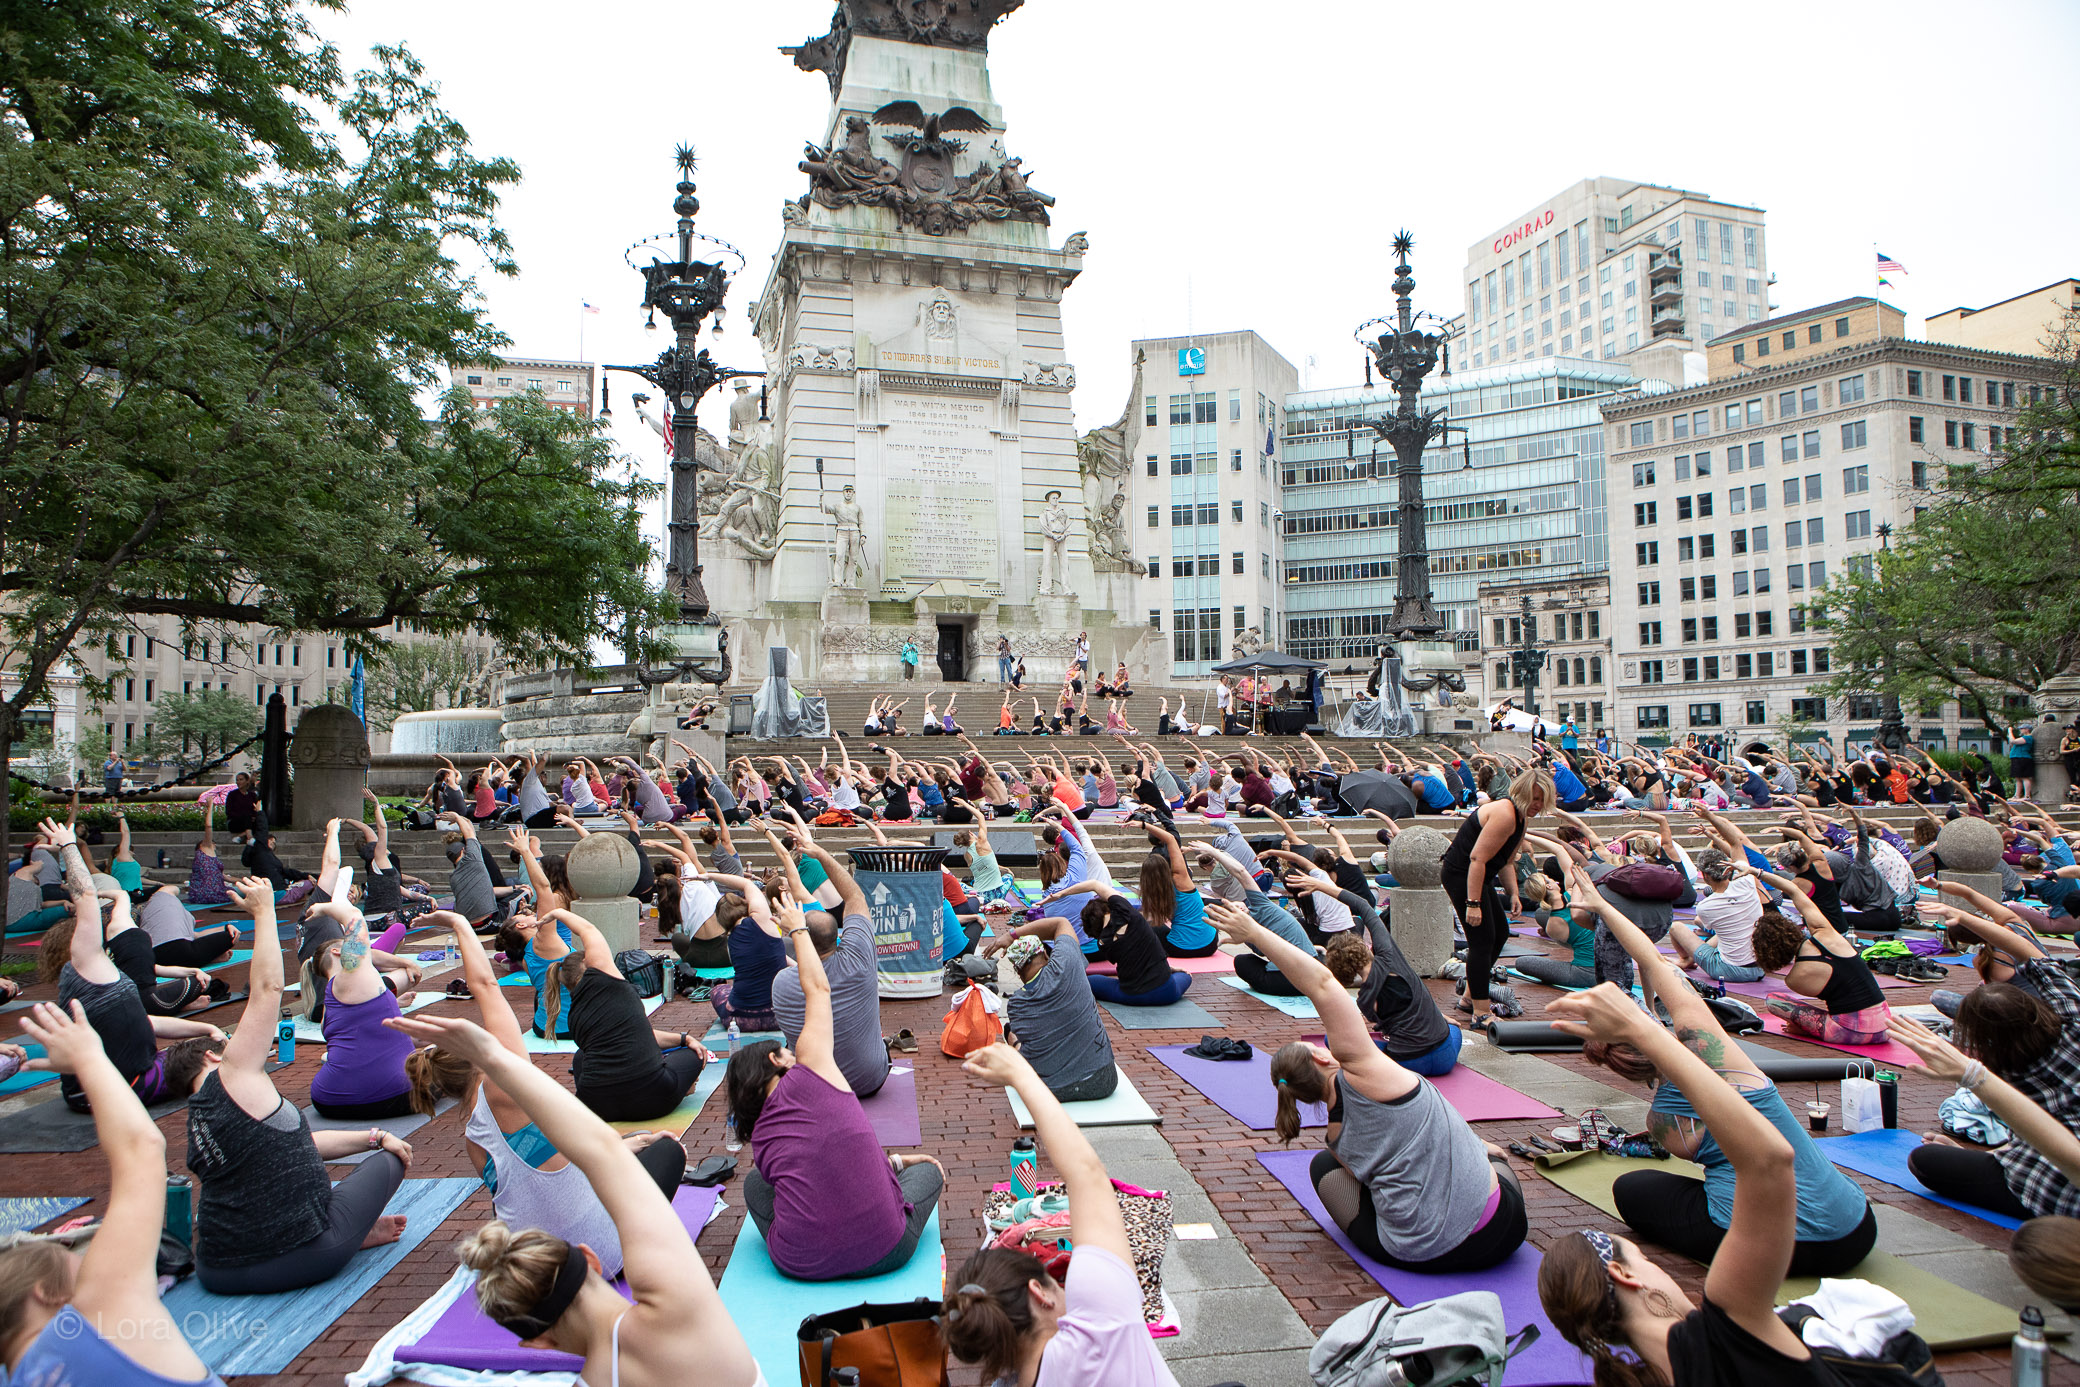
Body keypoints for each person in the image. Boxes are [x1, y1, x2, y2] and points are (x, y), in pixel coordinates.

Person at [385, 1014, 760, 1387]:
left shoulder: (474, 1141)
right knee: (660, 1157)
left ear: (538, 1343)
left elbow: (583, 1162)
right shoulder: (681, 1309)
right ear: (589, 1259)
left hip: (557, 1205)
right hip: (602, 1220)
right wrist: (492, 1054)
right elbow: (599, 1155)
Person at [1567, 860, 1876, 1275]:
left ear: (1626, 1071)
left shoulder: (1663, 1123)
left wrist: (1600, 911)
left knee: (1631, 1188)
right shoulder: (1719, 1053)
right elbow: (1657, 964)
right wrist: (1605, 909)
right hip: (1856, 1227)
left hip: (1780, 1249)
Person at [1537, 987, 1831, 1387]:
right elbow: (1770, 1160)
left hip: (1794, 1230)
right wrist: (1645, 1031)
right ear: (1623, 1274)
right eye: (1645, 1259)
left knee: (1635, 1188)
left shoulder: (1642, 1375)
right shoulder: (1732, 1317)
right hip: (1834, 1223)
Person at [1233, 912, 1527, 1273]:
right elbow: (1322, 985)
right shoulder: (1364, 1071)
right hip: (1499, 1232)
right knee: (1495, 1162)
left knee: (1325, 1168)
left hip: (1421, 1255)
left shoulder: (1334, 1137)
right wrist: (1254, 932)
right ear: (1320, 1055)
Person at [407, 911, 686, 1277]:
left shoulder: (473, 1141)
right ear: (478, 1059)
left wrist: (627, 1146)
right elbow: (487, 988)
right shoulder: (506, 1089)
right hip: (600, 1257)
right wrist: (460, 924)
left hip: (537, 1273)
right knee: (669, 1150)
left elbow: (545, 1175)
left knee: (632, 1148)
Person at [186, 877, 413, 1293]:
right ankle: (355, 1232)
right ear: (212, 1057)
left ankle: (354, 1227)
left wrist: (372, 1136)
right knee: (390, 1161)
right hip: (305, 1256)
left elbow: (301, 1143)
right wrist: (271, 913)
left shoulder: (198, 1118)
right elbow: (268, 989)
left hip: (216, 1269)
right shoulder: (236, 1077)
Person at [0, 999, 227, 1387]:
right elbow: (141, 1150)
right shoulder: (90, 1326)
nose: (86, 1258)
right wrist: (89, 1059)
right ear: (44, 1293)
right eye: (70, 1255)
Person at [725, 894, 943, 1280]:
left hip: (799, 1265)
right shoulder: (814, 1071)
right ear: (776, 1061)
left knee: (758, 1184)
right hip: (887, 1251)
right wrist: (795, 927)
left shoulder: (760, 1136)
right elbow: (818, 989)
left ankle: (806, 1236)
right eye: (784, 1050)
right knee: (930, 1174)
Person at [945, 1042, 1178, 1386]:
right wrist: (1021, 1074)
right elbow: (1087, 1174)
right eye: (1057, 1281)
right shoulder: (1101, 1329)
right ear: (1039, 1293)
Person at [1905, 903, 2080, 1220]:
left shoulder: (2009, 1073)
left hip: (2055, 1186)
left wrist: (1968, 1074)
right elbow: (2029, 950)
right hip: (2053, 1155)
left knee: (1924, 1161)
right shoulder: (2071, 1013)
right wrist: (1966, 912)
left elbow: (2047, 1143)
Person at [536, 907, 708, 1123]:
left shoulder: (575, 1015)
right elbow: (588, 929)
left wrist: (683, 1038)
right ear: (590, 966)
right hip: (653, 1100)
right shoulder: (604, 975)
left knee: (581, 1056)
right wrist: (559, 912)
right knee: (694, 1054)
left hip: (597, 1107)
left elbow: (639, 1033)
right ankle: (684, 1087)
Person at [763, 824, 888, 1099]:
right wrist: (820, 853)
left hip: (815, 1087)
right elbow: (855, 896)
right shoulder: (859, 959)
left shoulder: (781, 982)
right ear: (838, 938)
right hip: (868, 1080)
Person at [1440, 767, 1550, 1030]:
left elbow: (1507, 861)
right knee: (1481, 939)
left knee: (1499, 933)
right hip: (1462, 873)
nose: (1537, 805)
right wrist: (1473, 904)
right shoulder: (1504, 813)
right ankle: (1480, 1010)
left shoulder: (1520, 818)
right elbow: (1477, 858)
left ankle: (1469, 995)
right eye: (1534, 798)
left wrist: (1513, 893)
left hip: (1479, 874)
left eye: (1542, 801)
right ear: (1522, 794)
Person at [1302, 895, 1460, 1077]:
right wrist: (1321, 885)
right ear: (1364, 948)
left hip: (1405, 1063)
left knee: (1332, 1039)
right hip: (1444, 1057)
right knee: (1453, 1030)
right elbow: (1364, 906)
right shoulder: (1390, 958)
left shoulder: (1364, 1001)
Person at [1741, 863, 1889, 1044]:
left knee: (1774, 1001)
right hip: (1886, 1027)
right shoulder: (1825, 934)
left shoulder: (1795, 979)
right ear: (1790, 929)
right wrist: (1757, 872)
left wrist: (1801, 1025)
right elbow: (1794, 891)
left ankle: (1804, 1031)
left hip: (1848, 1033)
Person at [301, 899, 418, 1119]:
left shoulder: (329, 1005)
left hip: (330, 1099)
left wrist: (395, 1004)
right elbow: (354, 918)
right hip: (393, 1094)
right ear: (338, 952)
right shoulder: (350, 975)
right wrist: (324, 908)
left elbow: (362, 1030)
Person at [982, 918, 1119, 1102]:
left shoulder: (1017, 1004)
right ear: (1046, 955)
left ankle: (1013, 1042)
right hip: (1103, 1081)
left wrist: (1014, 1044)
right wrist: (1012, 935)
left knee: (1012, 1034)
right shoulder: (1067, 963)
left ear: (1018, 971)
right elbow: (1060, 923)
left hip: (1052, 1091)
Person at [1075, 881, 1192, 1007]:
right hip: (1167, 993)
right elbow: (1095, 884)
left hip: (1132, 996)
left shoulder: (1103, 943)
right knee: (1185, 976)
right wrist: (1061, 894)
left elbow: (1133, 958)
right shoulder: (1132, 916)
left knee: (1090, 981)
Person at [1136, 821, 1217, 958]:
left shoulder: (1153, 894)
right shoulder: (1182, 879)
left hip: (1179, 949)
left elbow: (1149, 919)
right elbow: (1171, 839)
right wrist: (1144, 825)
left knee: (1151, 927)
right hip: (1210, 945)